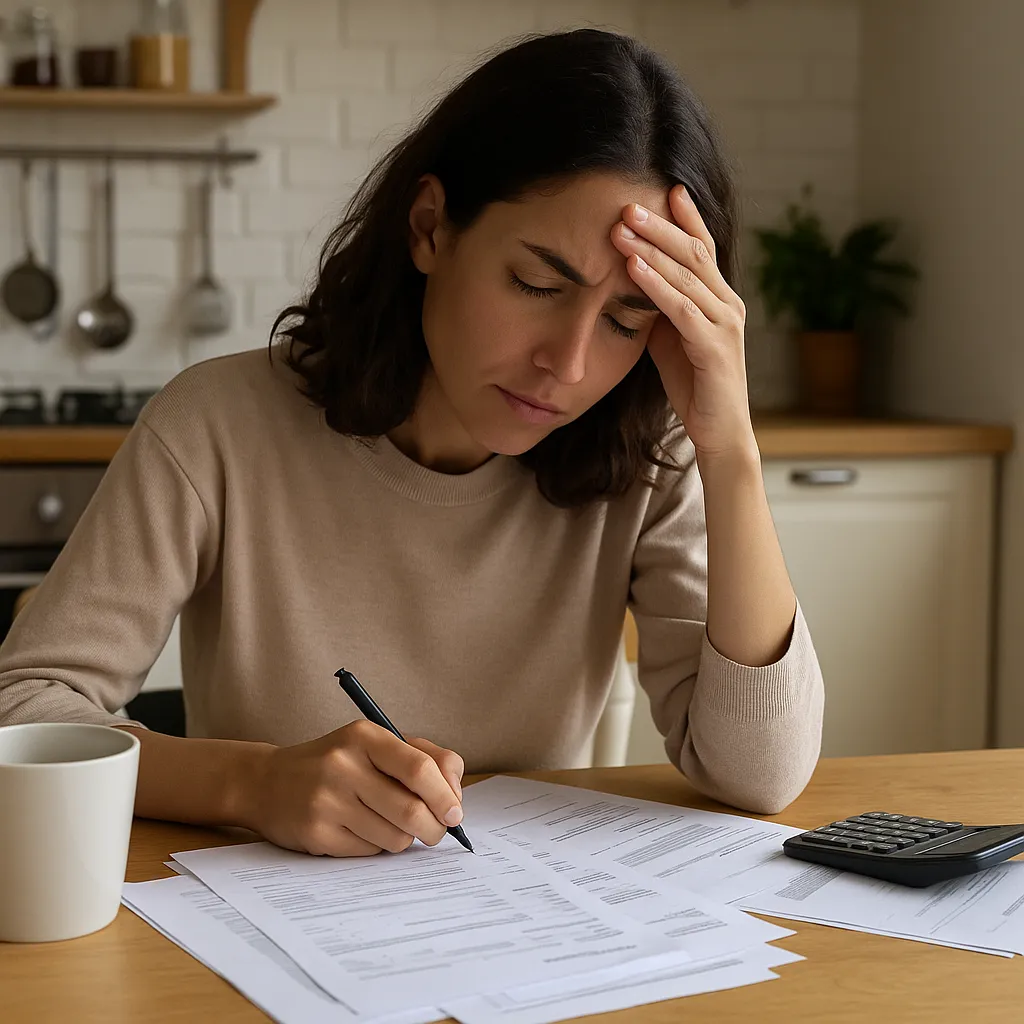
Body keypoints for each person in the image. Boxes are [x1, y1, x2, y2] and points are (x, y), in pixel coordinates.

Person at [0, 29, 823, 858]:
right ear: (430, 227)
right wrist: (250, 783)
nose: (568, 365)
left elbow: (758, 777)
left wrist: (731, 450)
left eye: (625, 320)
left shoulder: (646, 453)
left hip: (523, 922)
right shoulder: (215, 425)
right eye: (537, 283)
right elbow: (21, 707)